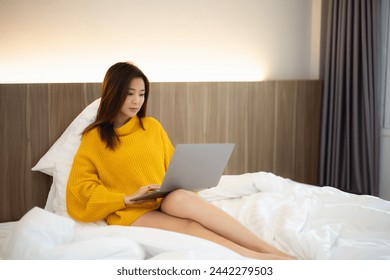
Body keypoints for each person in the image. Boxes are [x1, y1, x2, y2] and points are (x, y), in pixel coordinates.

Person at [66, 61, 295, 260]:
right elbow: (80, 193)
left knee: (182, 198)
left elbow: (173, 167)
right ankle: (261, 259)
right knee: (191, 227)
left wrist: (181, 182)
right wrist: (126, 198)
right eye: (130, 93)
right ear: (114, 93)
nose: (137, 100)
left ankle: (271, 250)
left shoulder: (151, 127)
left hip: (162, 199)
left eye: (142, 93)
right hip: (131, 211)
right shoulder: (94, 138)